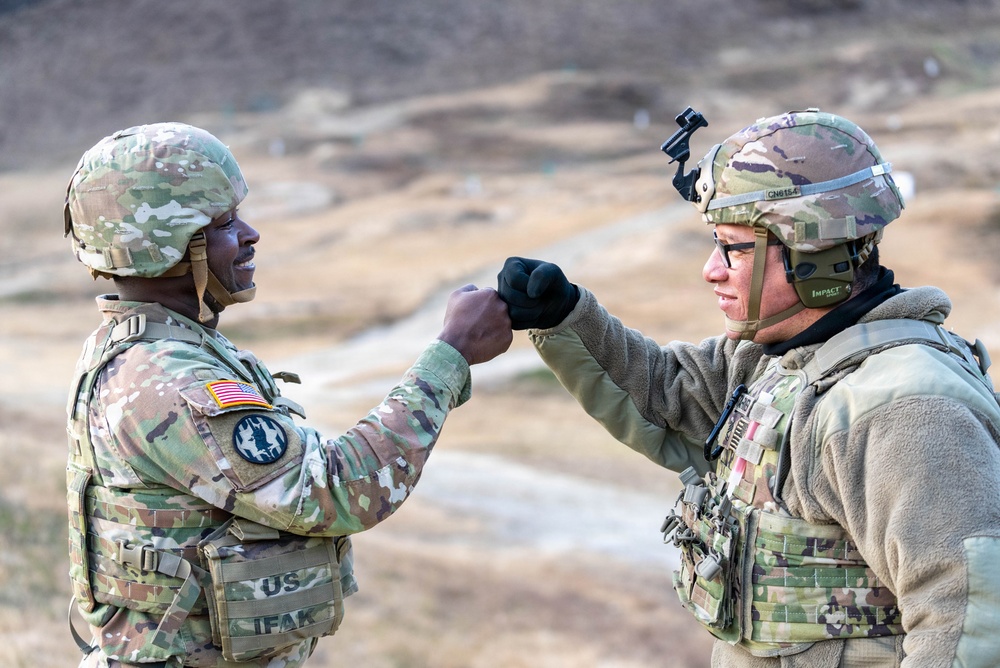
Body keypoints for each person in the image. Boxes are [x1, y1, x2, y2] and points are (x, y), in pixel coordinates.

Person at [497, 108, 1000, 667]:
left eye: (735, 248)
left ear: (819, 255)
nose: (712, 270)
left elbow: (972, 621)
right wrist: (566, 315)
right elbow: (664, 395)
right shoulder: (780, 361)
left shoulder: (904, 408)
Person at [63, 122, 512, 668]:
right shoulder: (167, 378)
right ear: (168, 246)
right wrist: (450, 353)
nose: (249, 235)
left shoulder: (154, 346)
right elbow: (334, 490)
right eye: (225, 224)